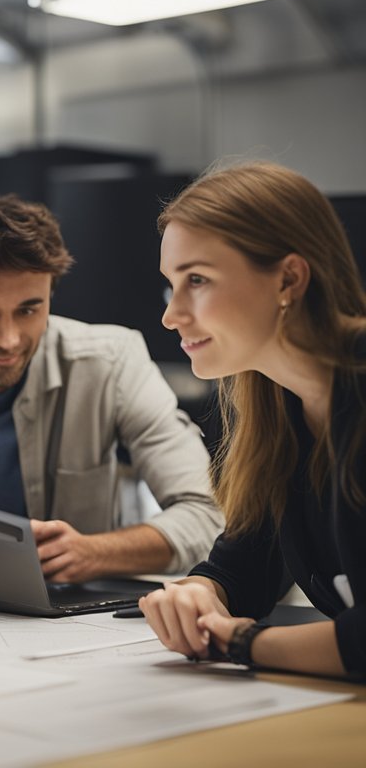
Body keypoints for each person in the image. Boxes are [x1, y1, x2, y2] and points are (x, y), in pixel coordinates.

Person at [0, 193, 222, 582]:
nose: (7, 339)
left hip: (78, 613)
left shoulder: (113, 361)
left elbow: (206, 516)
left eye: (28, 309)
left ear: (50, 297)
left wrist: (94, 553)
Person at [143, 162, 366, 679]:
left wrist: (245, 641)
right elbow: (246, 562)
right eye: (171, 285)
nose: (171, 315)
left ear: (289, 278)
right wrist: (202, 592)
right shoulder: (279, 401)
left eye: (197, 280)